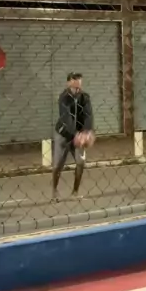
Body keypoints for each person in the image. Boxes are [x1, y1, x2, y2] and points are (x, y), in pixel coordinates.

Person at [52, 72, 94, 200]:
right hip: (63, 134)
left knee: (80, 162)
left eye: (79, 81)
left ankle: (75, 193)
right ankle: (54, 192)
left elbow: (88, 115)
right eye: (74, 80)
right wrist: (75, 134)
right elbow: (66, 118)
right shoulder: (63, 98)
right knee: (58, 164)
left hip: (79, 135)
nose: (77, 84)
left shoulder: (85, 97)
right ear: (69, 82)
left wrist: (86, 132)